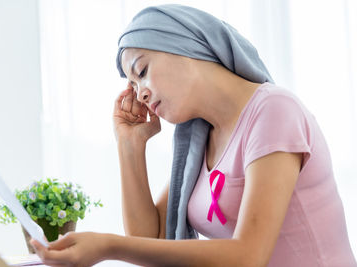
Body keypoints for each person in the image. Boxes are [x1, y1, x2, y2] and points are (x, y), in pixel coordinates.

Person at [30, 4, 356, 266]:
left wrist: (108, 246)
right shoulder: (200, 140)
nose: (140, 93)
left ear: (185, 46)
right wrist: (130, 144)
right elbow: (151, 236)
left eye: (142, 71)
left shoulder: (273, 110)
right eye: (133, 86)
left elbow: (248, 256)